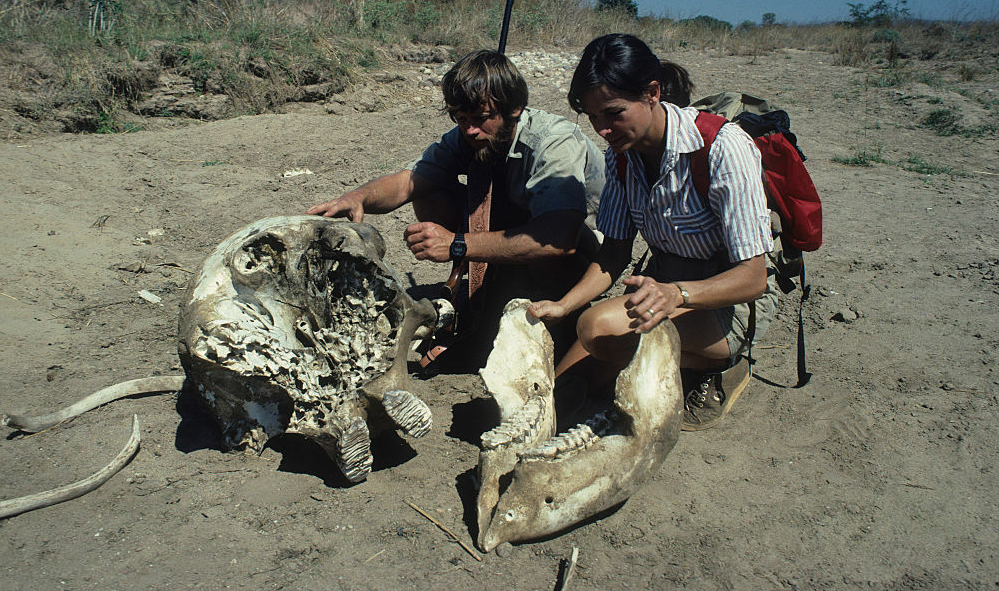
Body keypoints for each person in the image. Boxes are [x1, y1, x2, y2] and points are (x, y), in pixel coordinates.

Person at [529, 33, 779, 431]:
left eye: (613, 113)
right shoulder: (622, 156)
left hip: (727, 301)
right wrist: (563, 305)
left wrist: (677, 293)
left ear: (652, 92)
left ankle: (724, 363)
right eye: (594, 118)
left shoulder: (722, 147)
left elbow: (753, 277)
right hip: (664, 289)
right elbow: (613, 255)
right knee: (562, 390)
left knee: (596, 329)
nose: (603, 131)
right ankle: (669, 362)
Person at [306, 49, 606, 367]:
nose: (470, 130)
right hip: (521, 225)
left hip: (578, 248)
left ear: (514, 109)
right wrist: (359, 197)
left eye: (480, 118)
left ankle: (554, 320)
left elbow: (559, 238)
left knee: (549, 257)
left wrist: (457, 244)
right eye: (461, 119)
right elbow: (412, 180)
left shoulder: (554, 141)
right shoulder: (470, 136)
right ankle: (494, 286)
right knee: (430, 189)